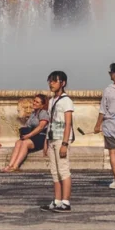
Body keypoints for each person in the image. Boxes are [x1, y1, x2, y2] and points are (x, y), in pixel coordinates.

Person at [41, 70, 74, 213]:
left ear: (63, 83)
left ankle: (66, 202)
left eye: (54, 81)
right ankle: (57, 200)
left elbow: (68, 123)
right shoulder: (52, 100)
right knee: (54, 171)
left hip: (61, 139)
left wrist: (65, 144)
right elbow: (50, 122)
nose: (51, 84)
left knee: (63, 170)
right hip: (52, 137)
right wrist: (46, 141)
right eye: (50, 81)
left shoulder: (66, 101)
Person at [3, 94, 49, 173]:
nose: (34, 103)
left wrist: (28, 135)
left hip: (41, 137)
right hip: (33, 136)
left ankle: (16, 166)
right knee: (18, 142)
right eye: (34, 101)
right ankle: (9, 165)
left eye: (37, 102)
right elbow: (27, 125)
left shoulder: (43, 113)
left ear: (42, 105)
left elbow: (41, 127)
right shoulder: (33, 113)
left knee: (25, 143)